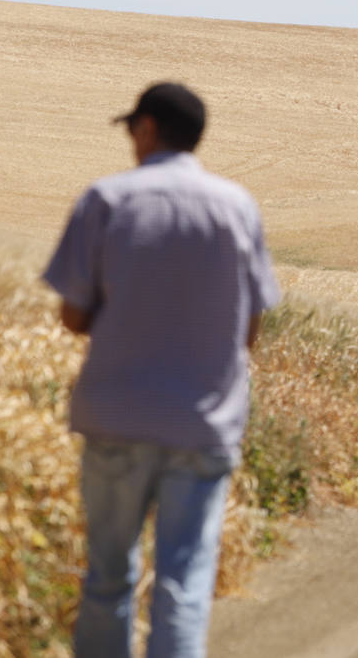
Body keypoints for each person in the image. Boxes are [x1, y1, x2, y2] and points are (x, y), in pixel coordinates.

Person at [43, 82, 280, 658]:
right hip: (202, 425)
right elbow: (251, 329)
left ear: (147, 128)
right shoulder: (236, 206)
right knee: (184, 583)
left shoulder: (106, 200)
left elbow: (72, 317)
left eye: (130, 129)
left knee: (107, 576)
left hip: (116, 416)